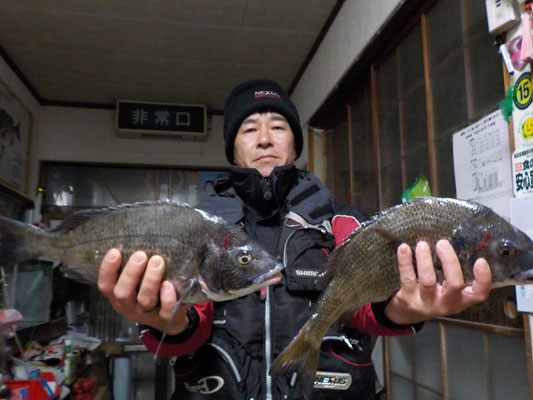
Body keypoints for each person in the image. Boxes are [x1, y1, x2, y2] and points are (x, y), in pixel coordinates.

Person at [98, 79, 492, 399]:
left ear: (295, 145)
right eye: (249, 129)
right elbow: (191, 326)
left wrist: (401, 310)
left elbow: (359, 308)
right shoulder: (201, 226)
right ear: (233, 149)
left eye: (278, 127)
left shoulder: (341, 220)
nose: (265, 138)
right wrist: (162, 320)